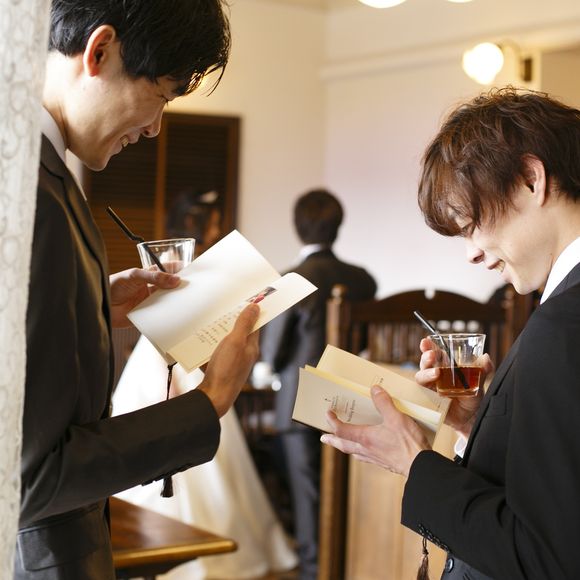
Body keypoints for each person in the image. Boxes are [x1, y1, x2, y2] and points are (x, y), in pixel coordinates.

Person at [18, 2, 261, 579]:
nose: (155, 128)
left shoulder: (38, 168)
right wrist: (209, 401)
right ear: (100, 52)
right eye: (163, 94)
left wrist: (92, 304)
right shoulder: (32, 193)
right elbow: (32, 476)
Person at [320, 87, 580, 579]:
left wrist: (415, 461)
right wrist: (477, 425)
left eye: (472, 223)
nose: (472, 253)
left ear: (531, 179)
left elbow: (545, 558)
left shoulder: (562, 323)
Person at [112, 191, 298, 579]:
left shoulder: (203, 259)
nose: (214, 229)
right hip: (167, 349)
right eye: (211, 223)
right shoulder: (175, 259)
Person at [260, 188, 377, 580]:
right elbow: (364, 340)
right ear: (338, 227)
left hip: (299, 402)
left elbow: (274, 351)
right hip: (350, 398)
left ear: (298, 227)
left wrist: (271, 367)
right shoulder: (362, 279)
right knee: (345, 492)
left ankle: (314, 572)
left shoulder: (292, 280)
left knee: (308, 497)